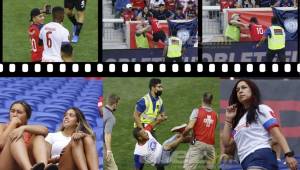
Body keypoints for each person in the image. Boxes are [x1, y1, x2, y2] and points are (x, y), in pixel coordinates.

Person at [222, 79, 298, 170]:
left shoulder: (261, 109)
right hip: (246, 162)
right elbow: (227, 143)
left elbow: (277, 133)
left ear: (253, 91)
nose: (240, 91)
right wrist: (228, 119)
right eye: (237, 90)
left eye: (244, 87)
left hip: (260, 156)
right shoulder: (239, 122)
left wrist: (288, 154)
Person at [0, 100, 57, 170]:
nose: (14, 115)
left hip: (24, 165)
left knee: (39, 136)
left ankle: (44, 167)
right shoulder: (2, 126)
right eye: (12, 111)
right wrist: (13, 124)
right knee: (16, 136)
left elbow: (45, 130)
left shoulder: (30, 130)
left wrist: (23, 128)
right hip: (5, 164)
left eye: (19, 112)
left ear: (27, 116)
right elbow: (1, 143)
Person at [180, 92, 218, 170]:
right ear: (211, 101)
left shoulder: (197, 111)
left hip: (198, 144)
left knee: (188, 168)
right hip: (210, 146)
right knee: (208, 168)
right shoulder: (215, 115)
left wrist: (183, 134)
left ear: (202, 99)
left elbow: (190, 127)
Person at [103, 94, 120, 170]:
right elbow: (107, 134)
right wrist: (108, 150)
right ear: (114, 104)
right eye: (117, 104)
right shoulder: (110, 117)